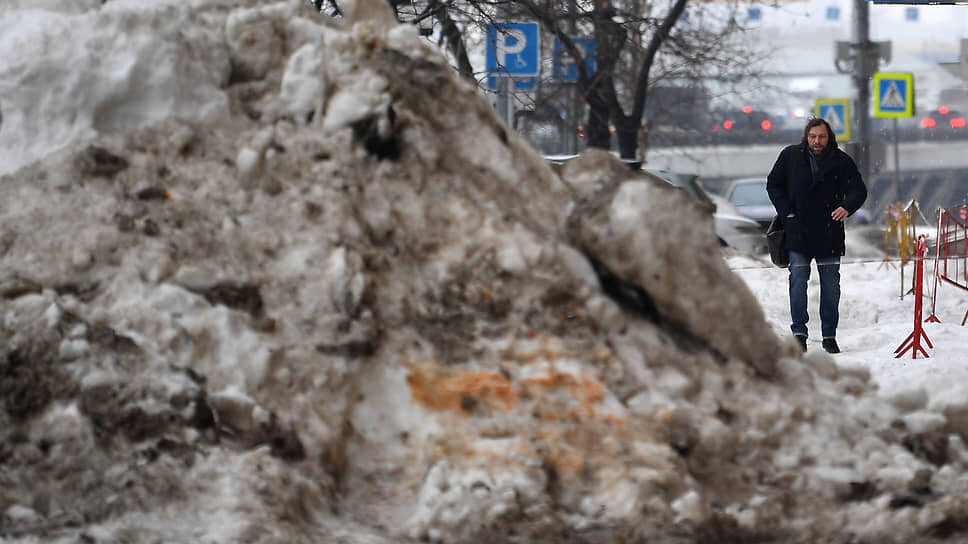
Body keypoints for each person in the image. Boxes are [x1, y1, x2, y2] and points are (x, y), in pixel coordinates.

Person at [766, 118, 867, 354]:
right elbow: (773, 184)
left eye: (821, 137)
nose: (817, 141)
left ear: (829, 137)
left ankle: (829, 335)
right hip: (797, 232)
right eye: (813, 137)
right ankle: (799, 333)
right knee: (798, 280)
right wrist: (787, 212)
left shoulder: (840, 161)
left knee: (831, 286)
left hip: (829, 233)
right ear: (806, 136)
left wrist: (847, 207)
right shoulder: (791, 156)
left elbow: (858, 189)